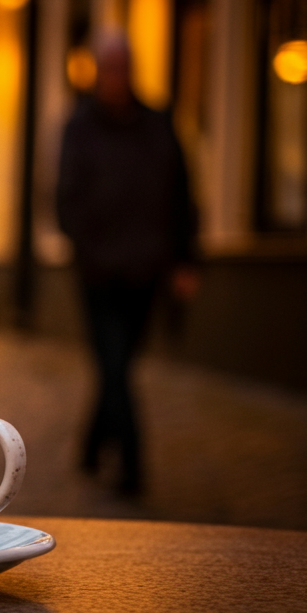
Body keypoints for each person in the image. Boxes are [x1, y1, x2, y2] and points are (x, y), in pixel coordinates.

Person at [56, 32, 200, 496]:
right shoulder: (79, 127)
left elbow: (182, 195)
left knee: (118, 365)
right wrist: (85, 247)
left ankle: (91, 443)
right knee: (115, 365)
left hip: (147, 271)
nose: (116, 77)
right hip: (98, 273)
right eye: (108, 68)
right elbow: (65, 198)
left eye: (123, 67)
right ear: (97, 72)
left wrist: (184, 259)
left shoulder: (158, 124)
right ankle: (133, 464)